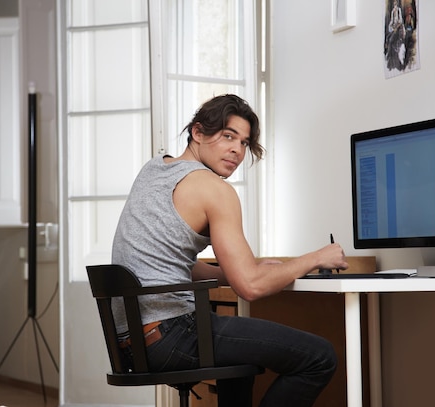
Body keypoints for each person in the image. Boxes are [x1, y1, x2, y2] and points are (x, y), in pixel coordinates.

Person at [111, 94, 348, 406]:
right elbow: (249, 287)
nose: (237, 150)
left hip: (133, 342)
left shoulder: (154, 170)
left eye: (244, 143)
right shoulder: (214, 189)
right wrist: (317, 257)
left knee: (239, 363)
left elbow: (162, 260)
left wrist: (228, 273)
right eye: (228, 136)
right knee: (320, 357)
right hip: (171, 333)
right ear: (197, 133)